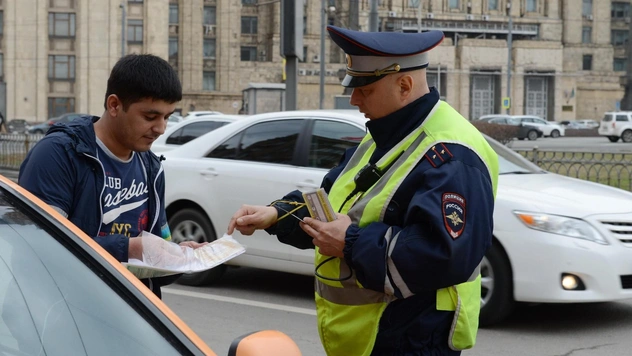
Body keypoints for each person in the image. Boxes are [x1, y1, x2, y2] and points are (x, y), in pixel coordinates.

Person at [228, 26, 499, 355]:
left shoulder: (452, 154)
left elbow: (446, 254)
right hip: (372, 337)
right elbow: (336, 203)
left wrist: (350, 242)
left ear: (404, 85)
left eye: (365, 89)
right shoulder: (385, 133)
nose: (353, 99)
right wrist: (276, 214)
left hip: (412, 340)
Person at [18, 54, 204, 298]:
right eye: (150, 117)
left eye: (167, 117)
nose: (160, 129)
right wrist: (129, 248)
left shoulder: (151, 166)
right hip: (62, 314)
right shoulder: (59, 154)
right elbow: (41, 244)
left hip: (128, 314)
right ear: (114, 105)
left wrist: (180, 257)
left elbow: (154, 258)